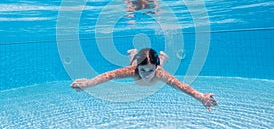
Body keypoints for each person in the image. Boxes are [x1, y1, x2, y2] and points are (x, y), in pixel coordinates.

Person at [71, 48, 218, 111]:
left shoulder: (159, 73)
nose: (147, 74)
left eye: (150, 70)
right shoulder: (133, 71)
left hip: (158, 69)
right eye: (143, 70)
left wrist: (200, 97)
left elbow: (180, 86)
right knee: (132, 65)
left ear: (155, 68)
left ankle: (162, 58)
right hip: (135, 67)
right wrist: (89, 84)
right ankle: (134, 53)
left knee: (161, 69)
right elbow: (109, 75)